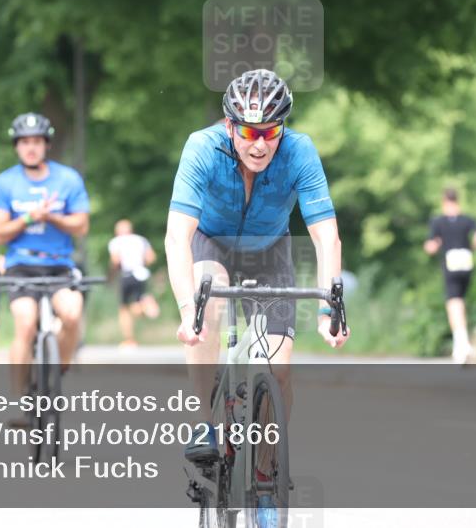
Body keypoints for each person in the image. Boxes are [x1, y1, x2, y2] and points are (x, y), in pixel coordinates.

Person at [166, 68, 351, 481]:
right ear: (230, 125)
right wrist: (185, 309)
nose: (261, 144)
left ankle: (267, 469)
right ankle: (208, 426)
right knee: (208, 304)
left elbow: (326, 237)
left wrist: (330, 310)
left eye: (271, 131)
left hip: (269, 250)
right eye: (249, 133)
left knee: (278, 370)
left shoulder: (300, 151)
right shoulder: (202, 147)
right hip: (212, 243)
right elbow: (177, 237)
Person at [0, 112, 90, 398]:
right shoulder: (5, 182)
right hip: (21, 265)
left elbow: (81, 226)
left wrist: (53, 217)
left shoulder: (68, 179)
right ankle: (18, 397)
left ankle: (56, 370)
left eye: (36, 141)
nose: (30, 147)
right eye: (24, 142)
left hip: (59, 265)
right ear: (16, 146)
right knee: (25, 322)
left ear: (46, 144)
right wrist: (30, 217)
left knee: (72, 313)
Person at [424, 188, 476, 364]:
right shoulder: (467, 220)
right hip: (466, 263)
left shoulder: (438, 222)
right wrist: (472, 246)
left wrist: (434, 246)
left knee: (453, 302)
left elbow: (431, 246)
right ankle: (463, 340)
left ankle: (461, 342)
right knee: (461, 299)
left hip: (451, 263)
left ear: (444, 201)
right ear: (458, 201)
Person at [108, 219, 160, 348]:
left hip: (127, 275)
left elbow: (115, 261)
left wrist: (111, 276)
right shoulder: (141, 240)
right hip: (141, 274)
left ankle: (129, 339)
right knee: (136, 303)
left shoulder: (116, 242)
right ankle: (145, 304)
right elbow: (151, 258)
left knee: (124, 308)